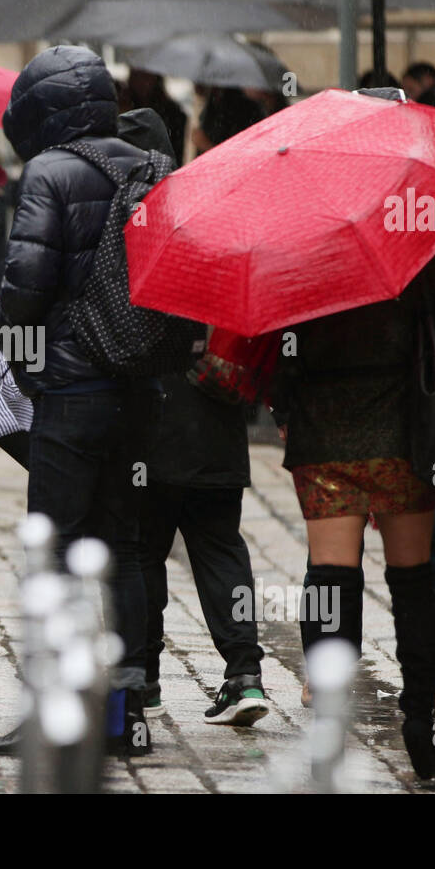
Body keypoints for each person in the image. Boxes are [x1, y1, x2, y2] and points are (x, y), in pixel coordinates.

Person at [0, 46, 160, 758]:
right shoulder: (151, 165)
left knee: (54, 551)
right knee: (126, 547)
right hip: (138, 386)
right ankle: (126, 712)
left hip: (72, 386)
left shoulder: (48, 172)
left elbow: (25, 285)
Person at [270, 250, 435, 781]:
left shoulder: (306, 246)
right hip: (402, 433)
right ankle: (416, 719)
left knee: (331, 576)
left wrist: (284, 409)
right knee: (412, 581)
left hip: (324, 435)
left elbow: (279, 347)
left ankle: (328, 715)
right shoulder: (417, 239)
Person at [136, 96, 270, 725]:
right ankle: (245, 674)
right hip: (217, 413)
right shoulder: (219, 214)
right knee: (220, 548)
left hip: (154, 421)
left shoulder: (133, 224)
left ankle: (144, 680)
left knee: (141, 551)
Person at [127, 67, 188, 166]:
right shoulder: (125, 106)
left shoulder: (171, 112)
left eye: (145, 76)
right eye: (136, 75)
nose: (140, 82)